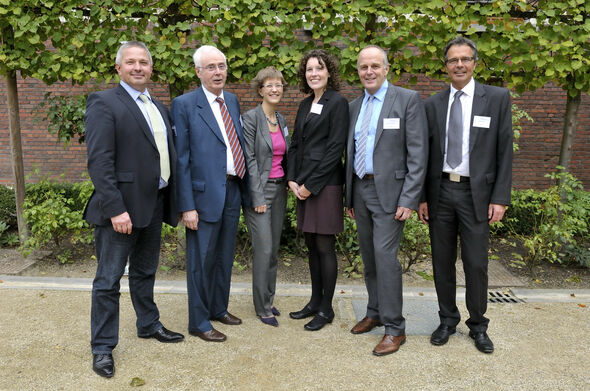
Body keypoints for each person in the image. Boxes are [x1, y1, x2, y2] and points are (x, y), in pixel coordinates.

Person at [84, 41, 184, 378]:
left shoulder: (158, 106)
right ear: (119, 68)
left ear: (151, 68)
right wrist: (115, 209)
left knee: (145, 271)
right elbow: (99, 161)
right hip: (120, 212)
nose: (138, 67)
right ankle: (102, 348)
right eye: (131, 62)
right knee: (108, 281)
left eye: (143, 62)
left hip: (153, 205)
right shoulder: (104, 102)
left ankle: (148, 323)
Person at [419, 36, 513, 354]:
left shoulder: (497, 98)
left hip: (477, 194)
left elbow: (504, 151)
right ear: (445, 66)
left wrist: (499, 197)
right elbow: (424, 155)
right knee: (441, 262)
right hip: (441, 191)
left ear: (474, 62)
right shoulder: (431, 104)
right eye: (452, 60)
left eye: (465, 59)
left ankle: (478, 325)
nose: (459, 64)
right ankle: (447, 320)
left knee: (475, 264)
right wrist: (421, 198)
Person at [344, 45, 428, 356]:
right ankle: (375, 311)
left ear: (386, 68)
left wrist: (409, 197)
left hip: (392, 196)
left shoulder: (406, 100)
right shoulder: (354, 106)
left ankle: (395, 328)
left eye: (375, 66)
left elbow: (418, 154)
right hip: (362, 191)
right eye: (364, 67)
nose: (369, 72)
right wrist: (350, 196)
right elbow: (351, 153)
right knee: (369, 256)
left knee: (385, 257)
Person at [171, 45, 250, 342]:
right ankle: (199, 321)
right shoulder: (184, 104)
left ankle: (219, 308)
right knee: (201, 261)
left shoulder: (231, 100)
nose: (218, 72)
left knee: (224, 257)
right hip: (202, 197)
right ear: (198, 72)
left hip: (231, 190)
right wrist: (186, 206)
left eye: (222, 65)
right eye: (211, 67)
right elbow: (181, 159)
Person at [287, 49, 349, 331]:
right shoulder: (303, 104)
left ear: (329, 73)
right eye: (309, 69)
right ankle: (314, 301)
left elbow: (335, 148)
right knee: (311, 245)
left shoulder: (338, 103)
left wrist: (311, 185)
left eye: (319, 68)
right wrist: (292, 179)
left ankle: (326, 309)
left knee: (324, 246)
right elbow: (296, 145)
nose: (314, 73)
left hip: (325, 185)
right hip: (302, 185)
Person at [242, 67, 290, 327]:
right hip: (259, 192)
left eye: (279, 85)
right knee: (264, 249)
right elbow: (249, 158)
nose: (275, 89)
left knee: (273, 252)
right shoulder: (250, 119)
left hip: (279, 189)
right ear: (260, 90)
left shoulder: (281, 120)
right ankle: (262, 307)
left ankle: (268, 298)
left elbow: (285, 155)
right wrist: (257, 196)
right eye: (270, 85)